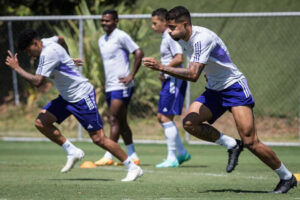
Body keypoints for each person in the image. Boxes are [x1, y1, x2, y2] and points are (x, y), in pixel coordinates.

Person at [142, 6, 297, 193]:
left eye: (173, 27)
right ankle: (231, 144)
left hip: (234, 88)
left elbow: (192, 74)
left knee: (251, 142)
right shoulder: (183, 38)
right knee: (190, 123)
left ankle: (286, 177)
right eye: (168, 27)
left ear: (185, 24)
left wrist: (161, 67)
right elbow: (211, 59)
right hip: (215, 89)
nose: (169, 31)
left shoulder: (201, 38)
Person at [5, 29, 143, 182]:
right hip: (67, 98)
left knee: (99, 139)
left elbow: (38, 82)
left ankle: (133, 167)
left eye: (28, 51)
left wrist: (17, 68)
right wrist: (68, 59)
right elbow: (61, 38)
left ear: (36, 43)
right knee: (41, 122)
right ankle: (72, 151)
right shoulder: (48, 41)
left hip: (82, 96)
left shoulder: (47, 53)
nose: (29, 55)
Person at [95, 9, 144, 166]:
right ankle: (133, 155)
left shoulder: (121, 36)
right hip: (110, 86)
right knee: (121, 122)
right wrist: (106, 81)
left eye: (108, 20)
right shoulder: (102, 40)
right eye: (103, 20)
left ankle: (109, 156)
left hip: (122, 85)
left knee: (113, 118)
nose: (104, 23)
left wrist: (131, 75)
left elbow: (138, 52)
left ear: (116, 21)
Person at [151, 8, 191, 168]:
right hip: (169, 81)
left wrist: (162, 68)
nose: (153, 26)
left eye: (155, 23)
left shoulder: (170, 36)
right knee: (161, 117)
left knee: (166, 118)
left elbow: (179, 58)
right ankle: (181, 152)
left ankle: (172, 157)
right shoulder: (165, 36)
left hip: (175, 81)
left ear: (163, 22)